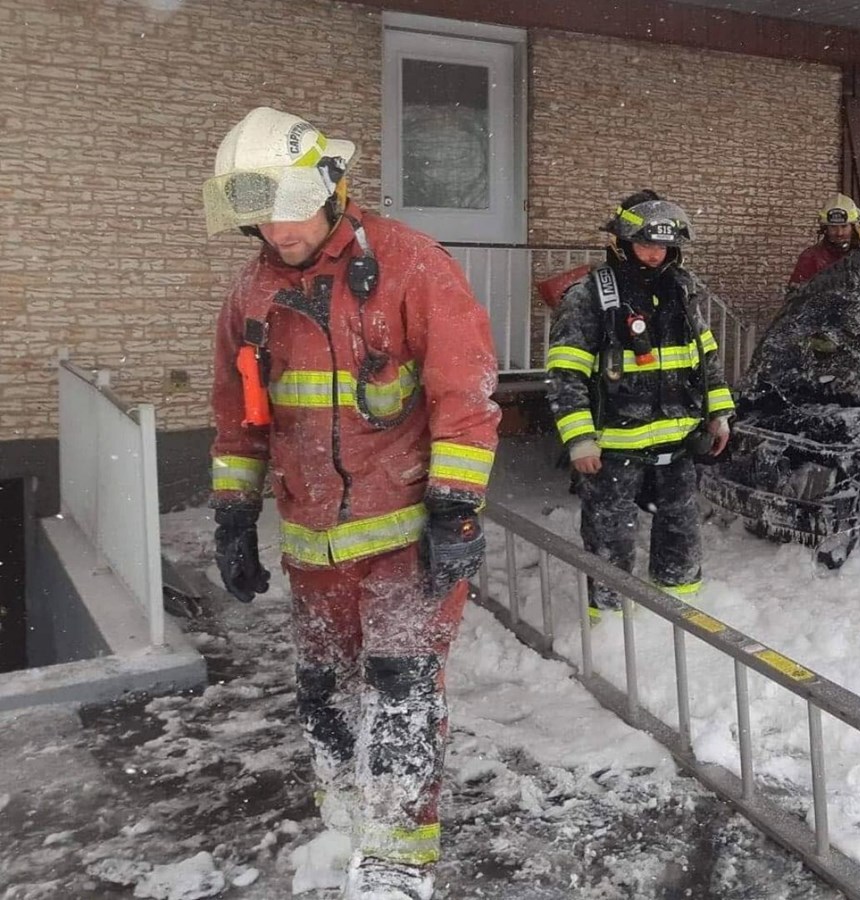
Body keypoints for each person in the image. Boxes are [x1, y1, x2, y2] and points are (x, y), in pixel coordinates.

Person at [203, 106, 500, 899]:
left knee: (402, 693)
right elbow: (239, 419)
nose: (274, 227)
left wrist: (456, 507)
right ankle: (344, 813)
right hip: (310, 542)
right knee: (323, 688)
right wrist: (234, 515)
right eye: (256, 209)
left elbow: (464, 394)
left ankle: (398, 860)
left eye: (288, 203)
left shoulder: (408, 264)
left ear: (332, 186)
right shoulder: (252, 294)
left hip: (407, 539)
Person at [546, 190, 733, 614]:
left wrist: (719, 413)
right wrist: (579, 439)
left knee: (681, 532)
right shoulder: (589, 296)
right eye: (646, 244)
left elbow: (706, 360)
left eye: (664, 246)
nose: (655, 255)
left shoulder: (682, 293)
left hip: (679, 443)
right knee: (610, 538)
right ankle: (610, 624)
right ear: (621, 242)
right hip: (614, 447)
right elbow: (565, 373)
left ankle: (680, 614)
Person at [788, 193, 860, 288]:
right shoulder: (811, 258)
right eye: (833, 227)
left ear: (854, 227)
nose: (839, 233)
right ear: (825, 229)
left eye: (844, 226)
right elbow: (795, 299)